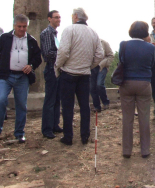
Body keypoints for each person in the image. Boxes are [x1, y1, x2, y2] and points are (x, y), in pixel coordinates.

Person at [0, 15, 42, 142]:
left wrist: (31, 66)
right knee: (0, 100)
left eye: (24, 27)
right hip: (6, 76)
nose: (22, 29)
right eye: (19, 26)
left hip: (22, 77)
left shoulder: (31, 40)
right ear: (14, 26)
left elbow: (38, 57)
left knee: (21, 105)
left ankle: (19, 133)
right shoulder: (4, 38)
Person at [55, 8, 104, 146]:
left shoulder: (69, 30)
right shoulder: (93, 32)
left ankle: (68, 136)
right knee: (85, 106)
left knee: (67, 106)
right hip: (84, 74)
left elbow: (63, 51)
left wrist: (58, 66)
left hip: (69, 73)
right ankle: (85, 135)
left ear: (75, 16)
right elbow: (99, 54)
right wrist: (89, 66)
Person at [119, 21, 155, 158]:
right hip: (144, 83)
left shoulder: (124, 45)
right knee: (144, 118)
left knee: (127, 118)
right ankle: (145, 150)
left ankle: (126, 151)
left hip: (127, 83)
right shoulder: (150, 47)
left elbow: (122, 60)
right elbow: (152, 64)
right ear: (145, 32)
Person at [40, 10, 63, 139]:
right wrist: (63, 54)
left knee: (56, 99)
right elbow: (48, 54)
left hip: (57, 69)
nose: (58, 19)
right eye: (56, 17)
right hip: (51, 69)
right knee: (50, 100)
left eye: (59, 17)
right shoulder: (47, 33)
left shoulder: (54, 33)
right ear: (49, 19)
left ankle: (55, 125)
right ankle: (47, 129)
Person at [90, 39, 114, 112]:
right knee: (92, 87)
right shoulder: (87, 42)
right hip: (91, 67)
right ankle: (97, 106)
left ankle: (105, 102)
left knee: (99, 84)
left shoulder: (104, 43)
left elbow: (111, 56)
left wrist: (103, 64)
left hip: (102, 66)